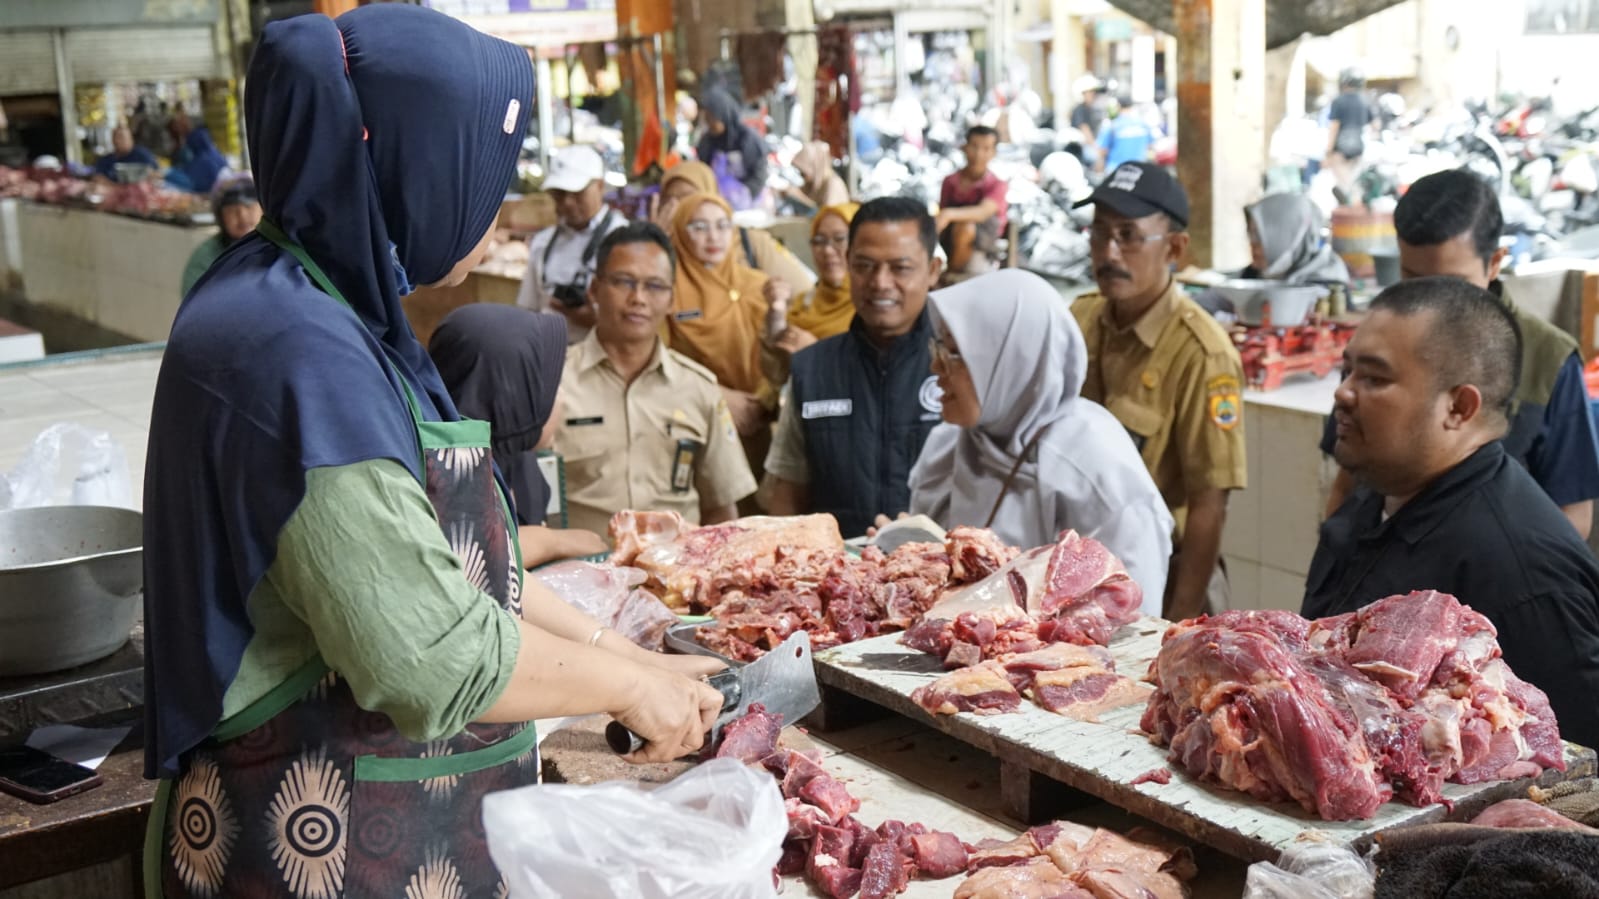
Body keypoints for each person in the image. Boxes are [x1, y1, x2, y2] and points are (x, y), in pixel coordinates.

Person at [141, 10, 724, 896]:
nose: (496, 206)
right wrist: (626, 688)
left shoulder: (313, 304)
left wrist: (633, 658)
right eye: (485, 175)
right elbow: (429, 655)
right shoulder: (298, 355)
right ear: (414, 167)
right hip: (319, 847)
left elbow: (456, 571)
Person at [1303, 277, 1599, 749]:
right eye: (1347, 371)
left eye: (1375, 378)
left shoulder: (1520, 570)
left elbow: (1575, 766)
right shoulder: (1378, 494)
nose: (1343, 393)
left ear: (1459, 407)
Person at [1319, 169, 1599, 538]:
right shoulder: (1379, 339)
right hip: (1379, 563)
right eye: (1413, 280)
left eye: (1453, 284)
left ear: (1495, 262)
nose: (1431, 302)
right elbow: (1347, 482)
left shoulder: (1549, 360)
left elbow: (1572, 514)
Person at [910, 270, 1173, 600]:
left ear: (1011, 361)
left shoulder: (1096, 469)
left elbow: (1131, 612)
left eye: (953, 354)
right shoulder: (949, 443)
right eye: (939, 347)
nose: (936, 368)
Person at [1071, 162, 1248, 620]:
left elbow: (1209, 505)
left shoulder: (1202, 354)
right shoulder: (1080, 319)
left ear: (1175, 247)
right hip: (1080, 575)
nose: (1109, 252)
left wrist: (1175, 623)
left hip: (1166, 576)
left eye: (1128, 236)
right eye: (1099, 233)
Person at [556, 222, 757, 537]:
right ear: (594, 289)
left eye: (654, 286)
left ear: (672, 299)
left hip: (677, 566)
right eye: (624, 282)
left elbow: (720, 509)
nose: (638, 298)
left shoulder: (698, 389)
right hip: (581, 565)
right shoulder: (555, 383)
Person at [763, 197, 945, 537]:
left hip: (943, 566)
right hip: (836, 566)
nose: (880, 282)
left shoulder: (958, 368)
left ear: (933, 270)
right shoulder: (812, 369)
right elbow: (787, 494)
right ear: (848, 263)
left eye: (900, 268)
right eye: (865, 265)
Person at [428, 303, 608, 566]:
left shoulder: (522, 465)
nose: (562, 399)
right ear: (511, 396)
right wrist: (549, 542)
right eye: (550, 387)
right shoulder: (441, 478)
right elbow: (467, 562)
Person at [667, 192, 781, 459]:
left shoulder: (758, 285)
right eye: (699, 227)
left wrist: (762, 401)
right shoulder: (667, 291)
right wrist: (719, 397)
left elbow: (776, 356)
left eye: (723, 225)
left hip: (757, 420)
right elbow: (658, 360)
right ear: (680, 232)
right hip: (693, 420)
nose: (713, 237)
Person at [515, 144, 627, 344]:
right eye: (559, 194)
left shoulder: (624, 241)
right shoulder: (543, 242)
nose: (567, 202)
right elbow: (528, 307)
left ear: (600, 186)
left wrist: (597, 321)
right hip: (546, 349)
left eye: (577, 192)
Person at [652, 159, 816, 293]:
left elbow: (803, 294)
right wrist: (656, 244)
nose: (678, 207)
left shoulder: (749, 243)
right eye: (669, 200)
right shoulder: (665, 250)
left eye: (688, 197)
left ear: (712, 198)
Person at [1198, 192, 1349, 316]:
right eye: (1251, 235)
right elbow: (1204, 304)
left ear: (1288, 237)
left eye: (1260, 236)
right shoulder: (1253, 275)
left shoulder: (1329, 286)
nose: (1252, 245)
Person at [773, 201, 859, 352]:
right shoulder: (803, 303)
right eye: (819, 241)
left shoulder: (871, 307)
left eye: (839, 239)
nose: (827, 250)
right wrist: (775, 318)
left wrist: (815, 352)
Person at [935, 125, 1008, 276]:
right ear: (964, 147)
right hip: (949, 245)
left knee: (965, 227)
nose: (979, 154)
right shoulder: (950, 181)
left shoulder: (997, 185)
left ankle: (951, 274)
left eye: (986, 148)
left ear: (993, 153)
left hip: (981, 249)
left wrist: (948, 214)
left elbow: (982, 212)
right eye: (974, 146)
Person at [180, 174, 263, 297]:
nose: (242, 216)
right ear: (220, 217)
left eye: (249, 207)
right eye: (232, 210)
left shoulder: (278, 247)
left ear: (263, 209)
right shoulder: (206, 256)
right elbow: (194, 300)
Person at [696, 87, 768, 209]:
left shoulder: (748, 139)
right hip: (717, 201)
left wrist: (743, 195)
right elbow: (702, 169)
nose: (709, 123)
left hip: (747, 203)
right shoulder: (707, 141)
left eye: (712, 118)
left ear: (724, 115)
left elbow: (759, 173)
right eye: (707, 119)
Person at [1324, 69, 1372, 198]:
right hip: (1359, 147)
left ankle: (1351, 200)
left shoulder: (1339, 101)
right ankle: (1355, 198)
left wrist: (1328, 151)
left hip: (1341, 147)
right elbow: (1374, 124)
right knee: (1352, 179)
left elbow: (1334, 127)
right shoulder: (1365, 101)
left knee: (1344, 183)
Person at [163, 110, 228, 195]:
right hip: (209, 178)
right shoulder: (193, 140)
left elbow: (195, 179)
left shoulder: (196, 141)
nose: (177, 127)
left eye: (178, 124)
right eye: (175, 125)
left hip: (207, 181)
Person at [783, 140, 850, 212]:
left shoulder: (833, 184)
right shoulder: (814, 184)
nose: (801, 176)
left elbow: (824, 214)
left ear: (813, 167)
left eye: (803, 172)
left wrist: (799, 196)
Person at [1096, 95, 1156, 173]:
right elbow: (1150, 146)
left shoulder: (1111, 125)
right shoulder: (1143, 124)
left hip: (1116, 171)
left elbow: (1102, 150)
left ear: (1118, 106)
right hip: (1139, 171)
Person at [91, 125, 158, 182]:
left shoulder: (143, 155)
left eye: (121, 137)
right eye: (115, 137)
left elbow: (156, 174)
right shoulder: (106, 160)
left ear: (131, 139)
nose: (117, 141)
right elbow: (97, 178)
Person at [1069, 75, 1106, 164]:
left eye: (1094, 92)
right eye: (1090, 92)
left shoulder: (1091, 109)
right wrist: (1097, 148)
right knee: (1095, 157)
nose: (1093, 95)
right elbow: (1085, 130)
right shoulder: (1079, 110)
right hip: (1082, 146)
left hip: (1093, 143)